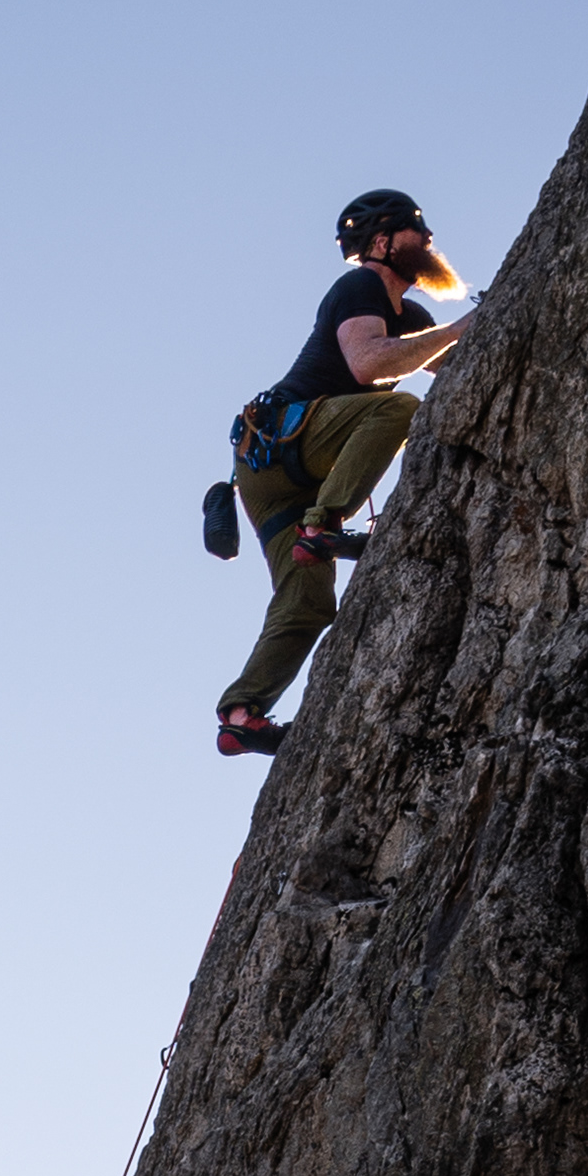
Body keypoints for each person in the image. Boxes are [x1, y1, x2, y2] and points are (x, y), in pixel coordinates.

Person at [216, 188, 471, 756]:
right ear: (382, 242)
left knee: (306, 600)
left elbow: (455, 360)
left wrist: (477, 329)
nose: (428, 239)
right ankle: (323, 524)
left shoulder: (411, 316)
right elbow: (369, 363)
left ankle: (242, 714)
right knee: (396, 409)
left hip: (267, 471)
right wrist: (460, 329)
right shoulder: (359, 287)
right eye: (414, 229)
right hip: (288, 439)